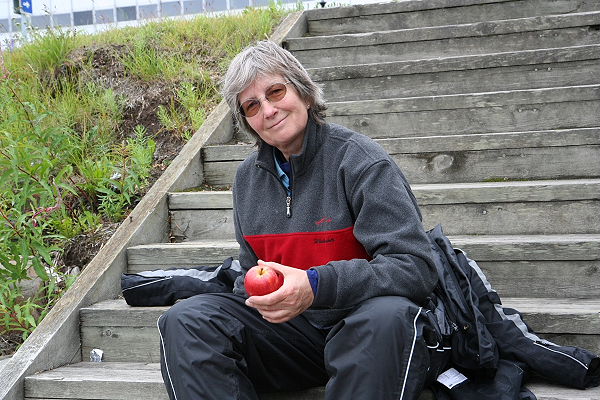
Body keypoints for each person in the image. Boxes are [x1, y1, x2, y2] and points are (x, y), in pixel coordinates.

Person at [158, 40, 443, 400]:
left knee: (388, 318)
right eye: (252, 105)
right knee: (185, 319)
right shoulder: (247, 179)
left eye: (276, 92)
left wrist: (316, 285)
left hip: (367, 329)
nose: (268, 110)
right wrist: (259, 294)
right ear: (247, 122)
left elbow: (414, 268)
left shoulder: (361, 161)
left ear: (304, 93)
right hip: (295, 336)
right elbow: (250, 272)